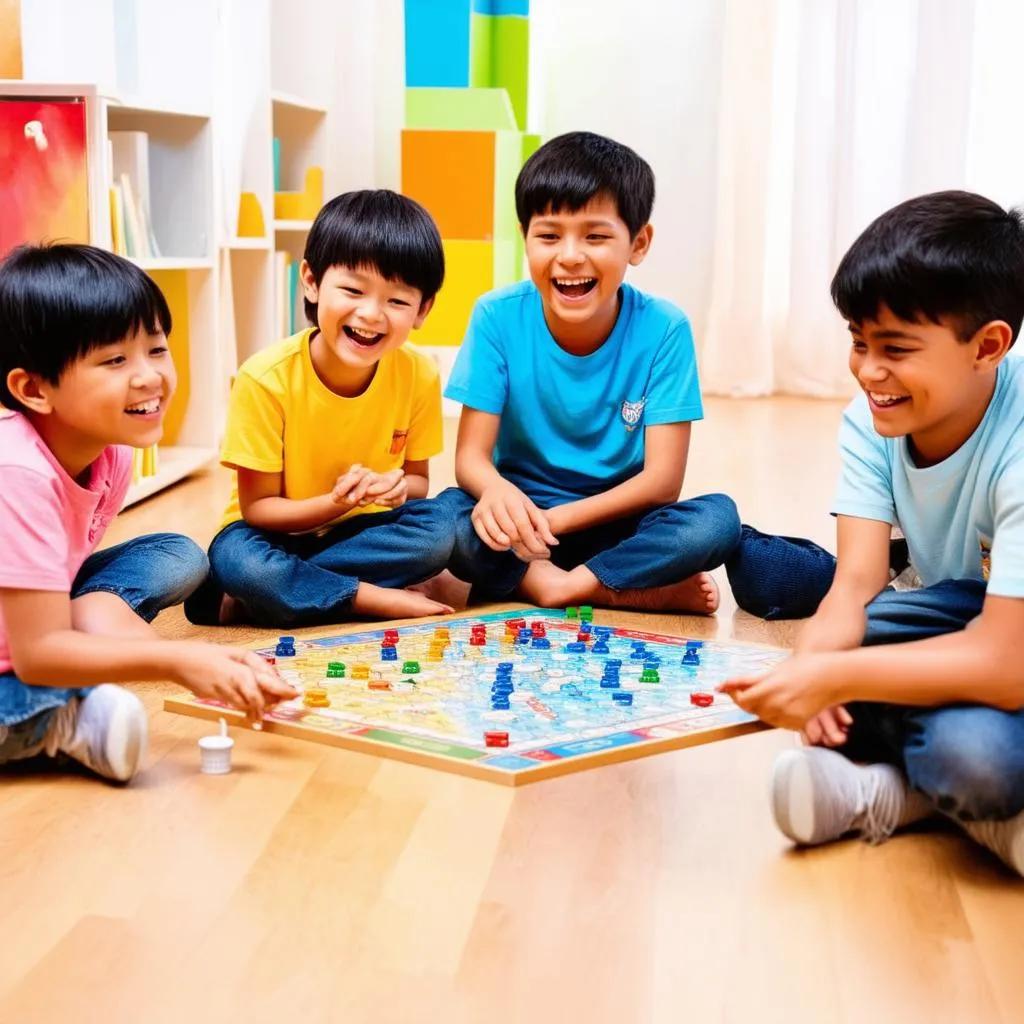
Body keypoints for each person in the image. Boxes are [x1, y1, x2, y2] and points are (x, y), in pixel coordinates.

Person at [720, 190, 1024, 876]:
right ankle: (974, 810)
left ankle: (891, 797)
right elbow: (856, 582)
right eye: (859, 342)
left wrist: (835, 676)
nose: (868, 371)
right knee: (850, 643)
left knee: (973, 758)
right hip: (960, 608)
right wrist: (813, 669)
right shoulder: (872, 418)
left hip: (1011, 637)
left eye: (896, 349)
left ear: (990, 345)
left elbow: (1006, 662)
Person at [0, 244, 295, 783]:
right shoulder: (15, 474)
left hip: (31, 607)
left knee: (176, 554)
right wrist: (179, 662)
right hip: (24, 651)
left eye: (156, 349)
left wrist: (201, 659)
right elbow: (38, 656)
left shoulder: (110, 451)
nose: (148, 377)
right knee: (27, 684)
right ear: (34, 389)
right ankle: (56, 721)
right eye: (114, 360)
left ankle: (86, 619)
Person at [436, 131, 740, 612]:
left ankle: (557, 584)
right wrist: (499, 495)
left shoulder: (665, 328)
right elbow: (471, 459)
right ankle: (609, 588)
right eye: (549, 235)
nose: (571, 255)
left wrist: (550, 523)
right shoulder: (496, 315)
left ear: (638, 243)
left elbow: (662, 482)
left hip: (616, 518)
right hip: (520, 512)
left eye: (596, 236)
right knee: (446, 521)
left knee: (717, 521)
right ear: (525, 239)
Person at [184, 190, 457, 629]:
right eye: (353, 290)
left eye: (397, 301)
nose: (371, 314)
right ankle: (365, 597)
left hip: (359, 534)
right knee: (241, 561)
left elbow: (419, 481)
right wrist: (334, 501)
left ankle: (263, 599)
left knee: (443, 529)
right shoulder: (264, 378)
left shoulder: (420, 373)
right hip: (272, 537)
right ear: (311, 281)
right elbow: (259, 510)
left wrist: (395, 488)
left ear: (423, 310)